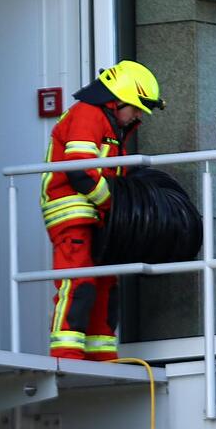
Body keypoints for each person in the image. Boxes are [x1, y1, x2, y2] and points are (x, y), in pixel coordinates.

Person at [40, 61, 164, 360]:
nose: (138, 116)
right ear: (118, 99)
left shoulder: (112, 125)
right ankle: (66, 357)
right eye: (136, 108)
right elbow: (81, 171)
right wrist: (115, 206)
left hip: (99, 218)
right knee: (78, 283)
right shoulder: (88, 114)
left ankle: (102, 357)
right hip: (73, 215)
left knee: (106, 286)